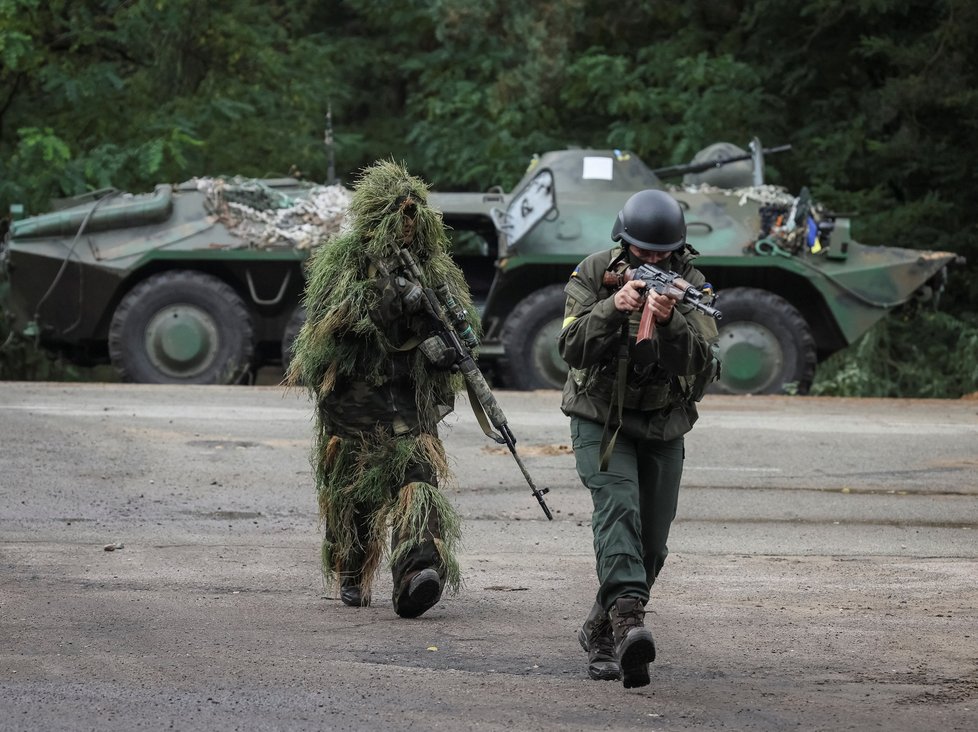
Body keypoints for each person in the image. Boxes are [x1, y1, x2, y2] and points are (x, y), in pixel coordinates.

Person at [287, 159, 478, 619]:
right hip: (354, 407)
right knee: (354, 499)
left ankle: (416, 575)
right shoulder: (345, 263)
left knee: (418, 485)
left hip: (408, 408)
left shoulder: (435, 271)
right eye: (399, 213)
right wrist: (388, 301)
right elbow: (323, 337)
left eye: (415, 215)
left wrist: (446, 349)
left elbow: (461, 330)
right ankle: (351, 572)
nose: (407, 225)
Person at [558, 188, 720, 687]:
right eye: (643, 252)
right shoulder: (592, 273)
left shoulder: (692, 286)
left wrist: (669, 323)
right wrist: (613, 307)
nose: (653, 260)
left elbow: (704, 365)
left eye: (662, 253)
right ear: (624, 243)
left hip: (663, 423)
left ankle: (598, 627)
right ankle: (628, 627)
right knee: (618, 509)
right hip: (599, 416)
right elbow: (570, 347)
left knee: (652, 541)